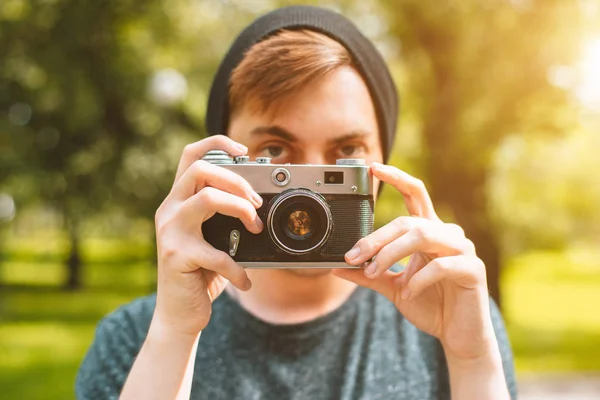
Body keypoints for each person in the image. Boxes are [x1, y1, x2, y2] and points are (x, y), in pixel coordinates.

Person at [76, 5, 517, 400]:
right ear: (217, 159)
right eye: (273, 152)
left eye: (345, 153)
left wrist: (472, 360)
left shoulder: (449, 311)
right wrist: (173, 334)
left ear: (384, 160)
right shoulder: (136, 337)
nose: (307, 190)